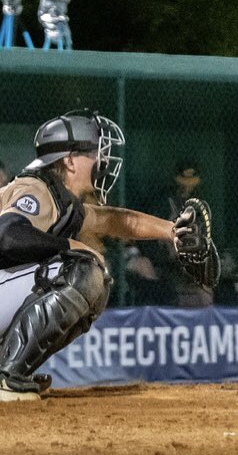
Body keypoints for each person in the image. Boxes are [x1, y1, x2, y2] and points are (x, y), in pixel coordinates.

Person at [0, 109, 218, 400]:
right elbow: (7, 236)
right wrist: (70, 247)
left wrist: (172, 231)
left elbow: (114, 220)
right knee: (83, 269)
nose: (101, 160)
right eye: (93, 152)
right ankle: (9, 377)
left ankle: (12, 369)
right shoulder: (34, 188)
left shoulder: (61, 199)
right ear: (69, 160)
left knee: (94, 277)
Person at [140, 159, 213, 307]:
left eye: (191, 181)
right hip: (166, 260)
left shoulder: (200, 205)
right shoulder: (163, 202)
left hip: (192, 260)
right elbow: (150, 239)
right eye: (184, 180)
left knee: (205, 288)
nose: (188, 186)